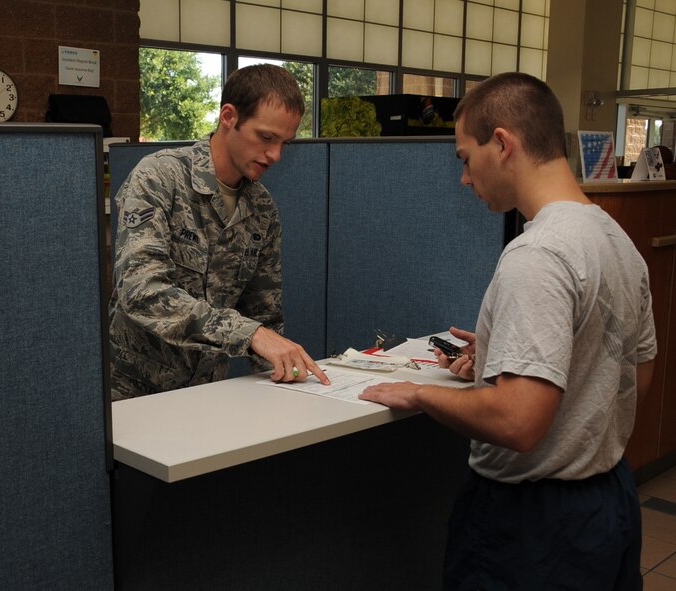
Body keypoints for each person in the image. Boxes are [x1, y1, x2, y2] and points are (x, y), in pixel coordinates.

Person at [360, 72, 657, 590]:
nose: (465, 179)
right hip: (609, 502)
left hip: (533, 525)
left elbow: (518, 422)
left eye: (464, 158)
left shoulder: (537, 256)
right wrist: (505, 352)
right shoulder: (614, 237)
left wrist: (420, 394)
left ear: (502, 143)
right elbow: (635, 375)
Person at [109, 64, 329, 400]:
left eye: (286, 142)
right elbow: (142, 290)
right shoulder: (158, 178)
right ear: (229, 116)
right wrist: (250, 334)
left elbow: (264, 313)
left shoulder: (261, 207)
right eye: (266, 137)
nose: (276, 155)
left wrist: (286, 377)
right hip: (136, 395)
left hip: (207, 395)